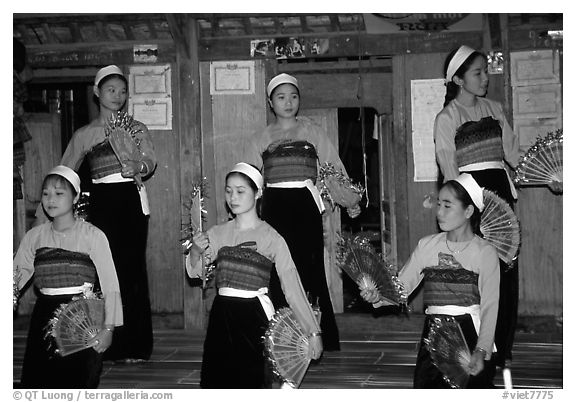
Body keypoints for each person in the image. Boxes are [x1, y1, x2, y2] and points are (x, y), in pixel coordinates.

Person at [43, 65, 156, 363]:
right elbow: (65, 171)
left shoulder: (137, 127)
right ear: (97, 93)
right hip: (101, 203)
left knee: (131, 270)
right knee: (102, 271)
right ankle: (102, 341)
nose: (117, 96)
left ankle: (135, 345)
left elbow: (149, 160)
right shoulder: (85, 134)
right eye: (110, 90)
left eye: (122, 91)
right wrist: (57, 200)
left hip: (131, 202)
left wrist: (139, 167)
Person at [244, 73, 361, 351]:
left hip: (306, 207)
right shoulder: (260, 137)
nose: (288, 102)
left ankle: (321, 336)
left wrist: (349, 200)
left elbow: (333, 168)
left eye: (293, 96)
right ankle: (281, 336)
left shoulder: (314, 132)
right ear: (271, 103)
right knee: (276, 270)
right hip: (273, 207)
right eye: (281, 97)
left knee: (311, 269)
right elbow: (247, 178)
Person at [185, 162, 323, 388]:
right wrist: (195, 252)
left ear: (258, 193)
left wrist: (313, 331)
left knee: (253, 381)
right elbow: (196, 273)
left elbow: (292, 287)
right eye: (228, 191)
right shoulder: (218, 233)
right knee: (216, 381)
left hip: (255, 317)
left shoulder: (272, 237)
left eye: (241, 191)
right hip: (222, 316)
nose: (233, 197)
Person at [362, 173, 500, 388]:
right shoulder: (427, 246)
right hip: (433, 334)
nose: (439, 212)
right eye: (438, 205)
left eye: (447, 206)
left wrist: (481, 349)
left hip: (469, 334)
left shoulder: (485, 252)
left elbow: (490, 307)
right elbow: (401, 287)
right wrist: (378, 296)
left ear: (468, 211)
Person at [433, 45, 519, 369]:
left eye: (485, 71)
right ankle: (474, 343)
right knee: (471, 273)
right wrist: (463, 210)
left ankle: (503, 347)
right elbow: (449, 167)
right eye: (477, 73)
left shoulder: (495, 109)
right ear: (458, 79)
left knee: (505, 271)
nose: (485, 78)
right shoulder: (447, 117)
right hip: (471, 199)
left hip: (500, 200)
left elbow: (513, 154)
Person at [14, 166, 123, 388]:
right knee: (40, 382)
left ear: (75, 198)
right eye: (45, 193)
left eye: (59, 193)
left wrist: (108, 328)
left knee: (77, 381)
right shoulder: (34, 236)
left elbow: (111, 284)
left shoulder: (93, 236)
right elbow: (15, 276)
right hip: (43, 315)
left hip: (82, 317)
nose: (50, 199)